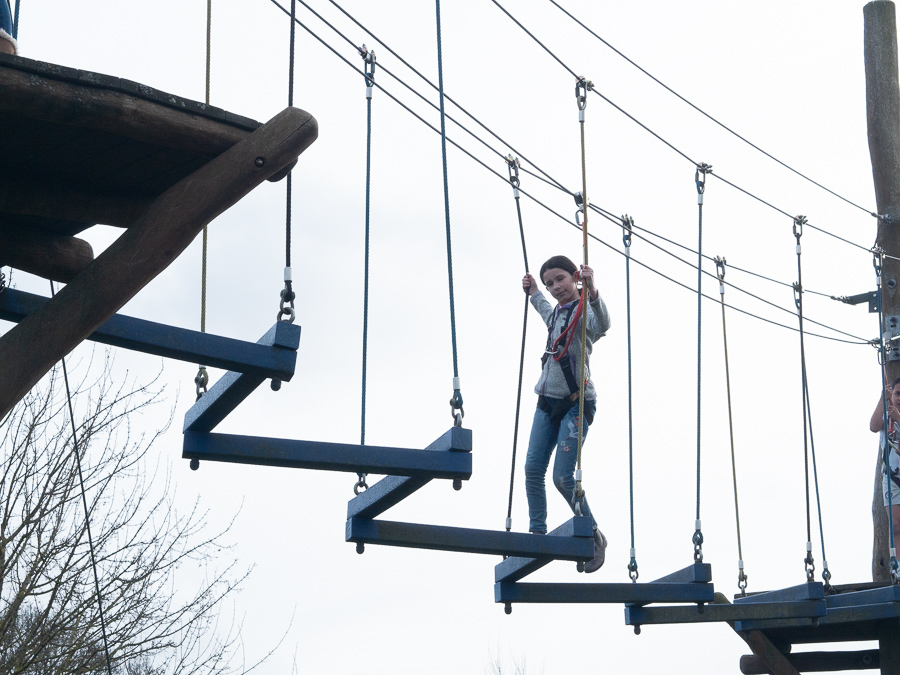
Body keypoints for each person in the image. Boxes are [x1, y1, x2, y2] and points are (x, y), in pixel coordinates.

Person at [522, 255, 611, 573]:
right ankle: (536, 534)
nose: (555, 287)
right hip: (547, 402)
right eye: (550, 283)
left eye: (559, 279)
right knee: (533, 470)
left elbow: (602, 324)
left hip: (576, 404)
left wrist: (593, 289)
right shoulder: (556, 313)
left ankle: (591, 534)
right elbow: (544, 307)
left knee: (562, 477)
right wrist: (534, 291)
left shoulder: (585, 312)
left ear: (574, 277)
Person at [870, 376, 900, 548]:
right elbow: (874, 426)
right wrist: (883, 400)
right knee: (895, 526)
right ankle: (897, 566)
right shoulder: (886, 417)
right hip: (892, 475)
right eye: (897, 394)